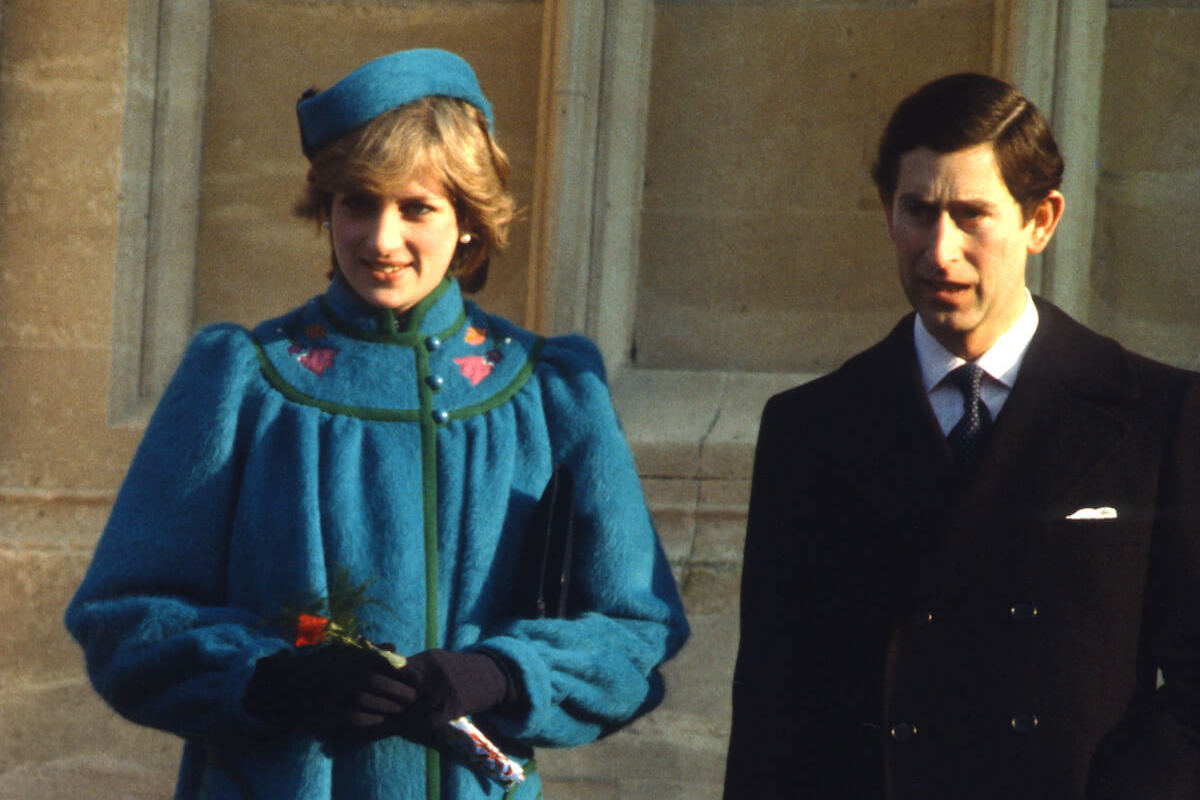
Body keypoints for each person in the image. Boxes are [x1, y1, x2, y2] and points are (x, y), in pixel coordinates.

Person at [66, 48, 688, 800]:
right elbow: (124, 619)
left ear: (467, 221)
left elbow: (634, 629)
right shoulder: (242, 380)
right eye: (357, 203)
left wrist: (498, 673)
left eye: (417, 207)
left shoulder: (549, 391)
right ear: (326, 211)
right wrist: (269, 679)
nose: (380, 239)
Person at [723, 72, 1200, 799]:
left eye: (972, 215)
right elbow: (771, 712)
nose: (940, 252)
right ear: (888, 212)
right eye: (919, 211)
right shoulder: (810, 428)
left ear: (1041, 220)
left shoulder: (1155, 415)